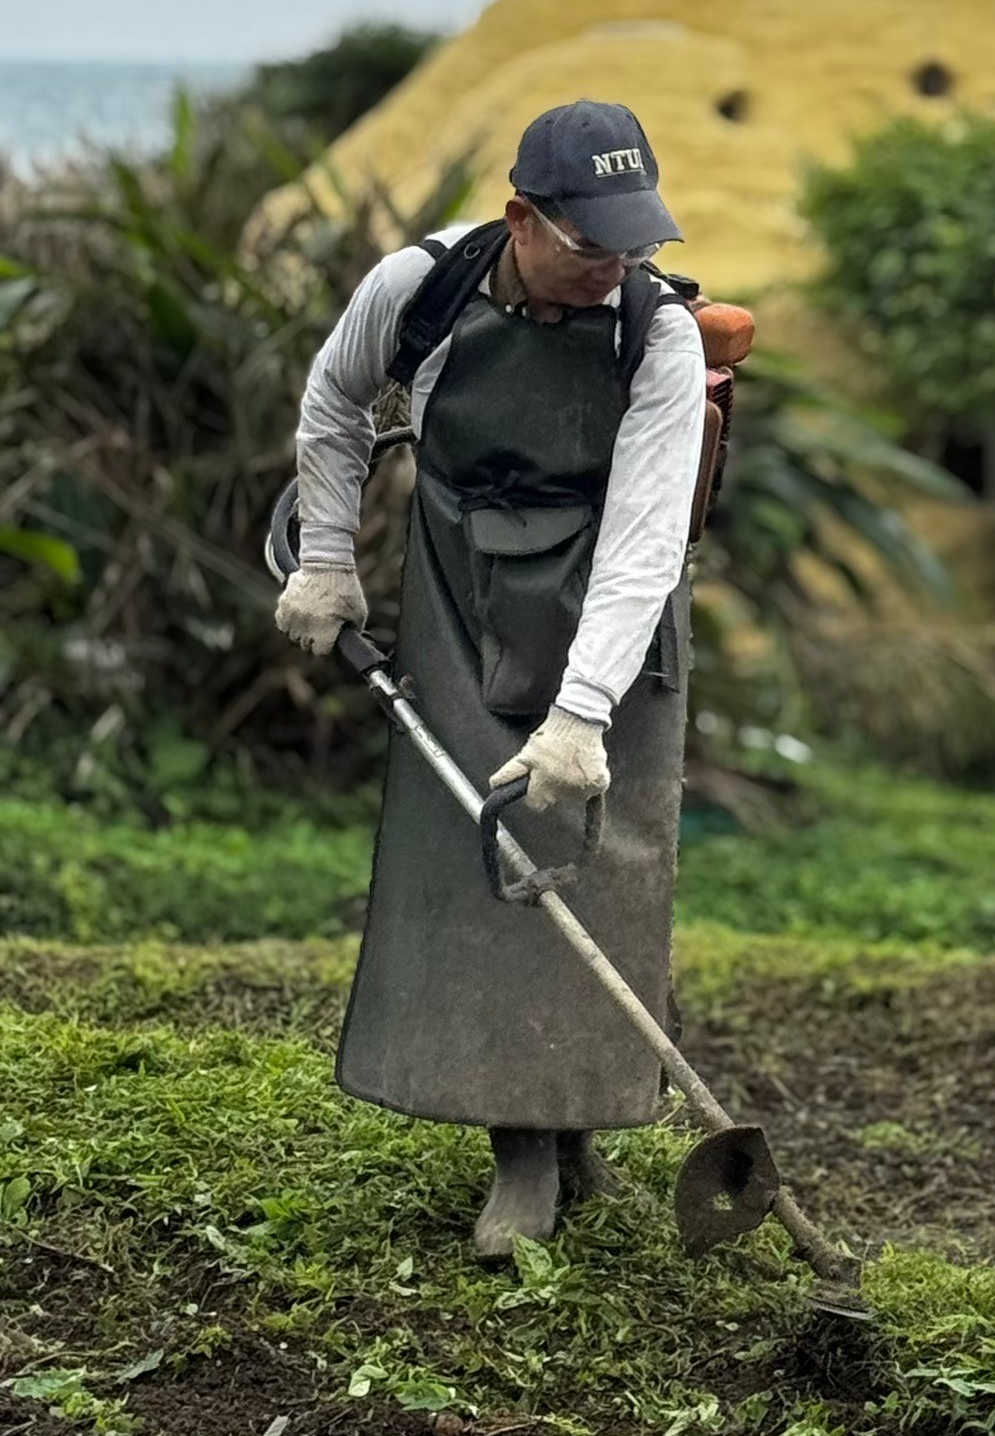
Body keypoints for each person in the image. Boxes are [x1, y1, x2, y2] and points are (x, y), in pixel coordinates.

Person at [275, 101, 706, 1259]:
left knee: (605, 867)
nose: (616, 269)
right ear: (522, 219)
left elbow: (646, 537)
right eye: (592, 246)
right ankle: (522, 1157)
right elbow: (334, 403)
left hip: (611, 608)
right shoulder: (418, 290)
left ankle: (578, 1128)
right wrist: (327, 559)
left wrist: (581, 714)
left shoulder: (657, 334)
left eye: (635, 245)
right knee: (489, 869)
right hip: (460, 593)